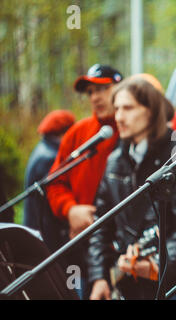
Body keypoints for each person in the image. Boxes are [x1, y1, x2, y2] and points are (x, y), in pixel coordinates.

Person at [87, 77, 176, 300]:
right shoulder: (115, 160)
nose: (119, 117)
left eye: (128, 108)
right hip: (125, 286)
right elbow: (100, 224)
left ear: (151, 112)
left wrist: (157, 266)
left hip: (172, 288)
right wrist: (100, 277)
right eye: (117, 109)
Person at [45, 64, 123, 299]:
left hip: (128, 249)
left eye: (103, 89)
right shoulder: (78, 133)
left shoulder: (134, 132)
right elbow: (55, 182)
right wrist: (71, 210)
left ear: (121, 88)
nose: (96, 97)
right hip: (86, 248)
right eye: (90, 92)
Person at [23, 110, 76, 252]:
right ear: (64, 132)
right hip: (44, 231)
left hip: (37, 226)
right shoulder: (51, 157)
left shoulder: (43, 149)